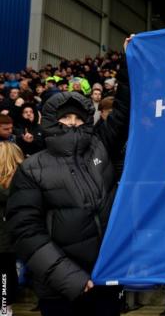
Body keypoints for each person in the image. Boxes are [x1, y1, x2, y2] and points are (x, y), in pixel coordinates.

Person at [6, 38, 131, 316]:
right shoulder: (32, 168)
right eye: (66, 118)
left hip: (106, 279)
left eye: (78, 118)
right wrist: (71, 279)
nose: (73, 123)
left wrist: (128, 60)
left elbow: (122, 111)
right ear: (52, 121)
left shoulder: (99, 145)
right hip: (62, 291)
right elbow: (26, 233)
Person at [0, 142, 24, 316]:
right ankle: (5, 308)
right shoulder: (19, 182)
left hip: (6, 239)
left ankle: (4, 308)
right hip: (8, 239)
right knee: (6, 274)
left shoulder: (14, 183)